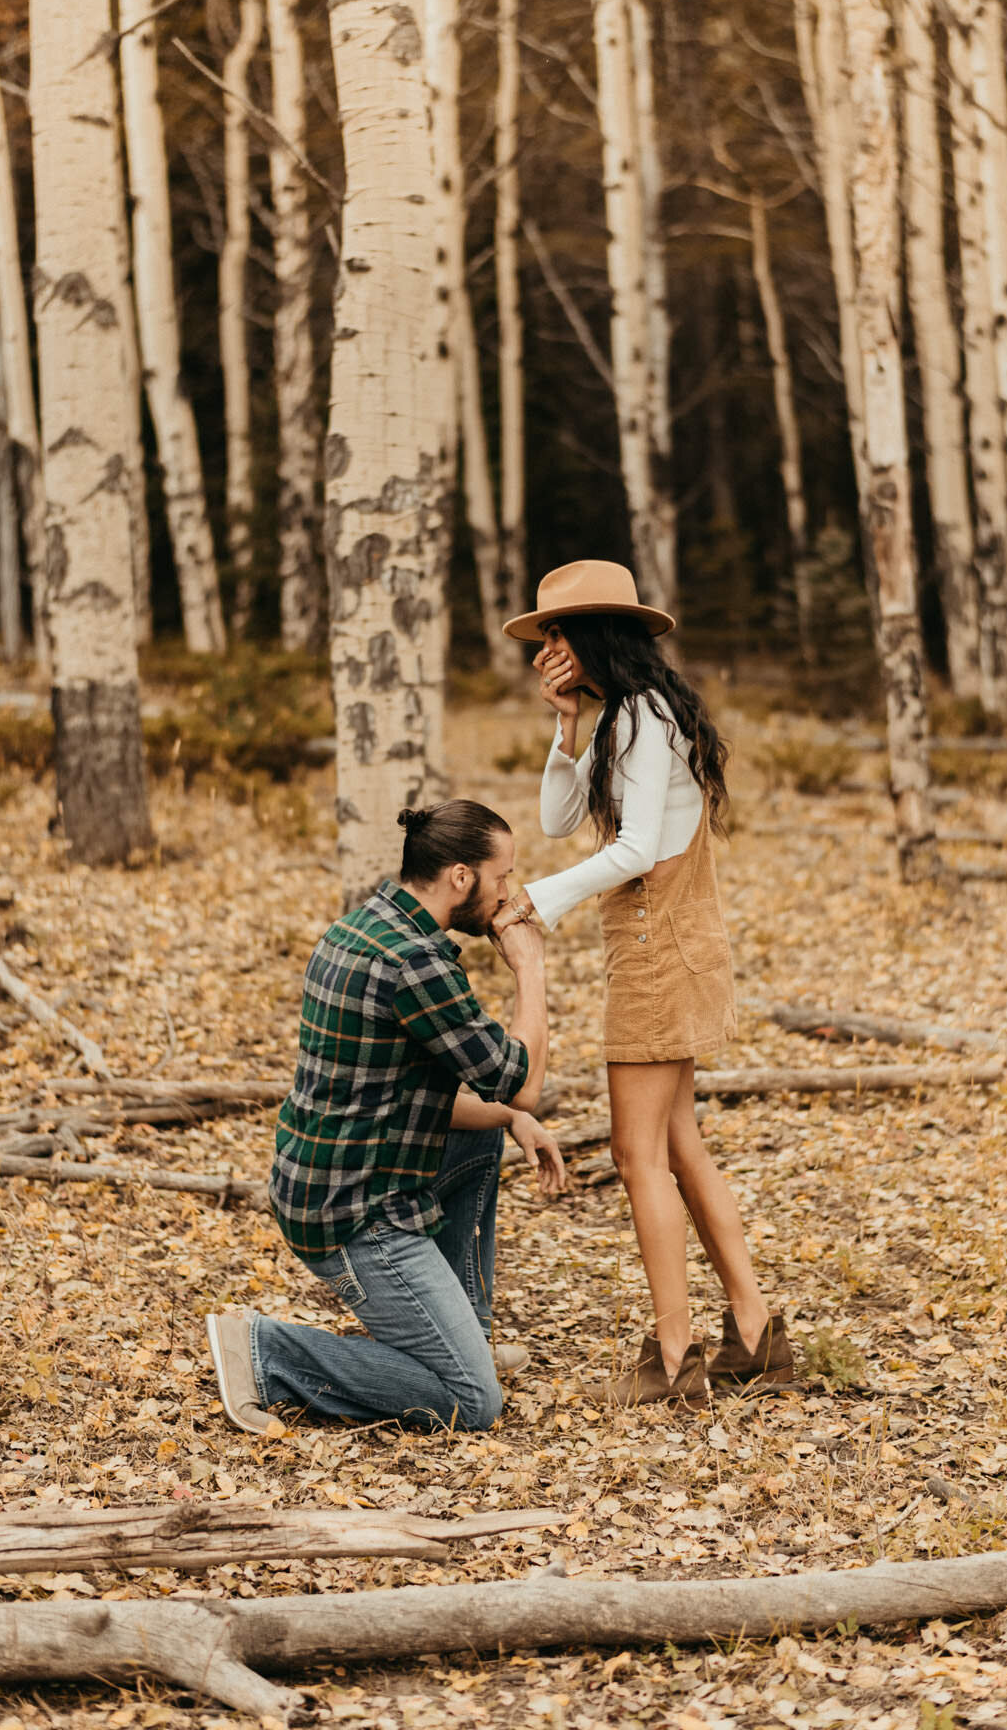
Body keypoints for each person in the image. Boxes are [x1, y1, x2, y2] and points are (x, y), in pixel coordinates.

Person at [495, 559, 794, 1407]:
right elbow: (559, 820)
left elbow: (632, 853)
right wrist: (564, 725)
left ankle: (673, 1356)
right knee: (680, 1145)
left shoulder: (641, 720)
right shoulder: (629, 715)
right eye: (544, 636)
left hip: (658, 949)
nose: (547, 650)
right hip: (669, 943)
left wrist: (536, 903)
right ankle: (753, 1333)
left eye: (556, 634)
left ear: (595, 634)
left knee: (637, 1156)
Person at [205, 799, 563, 1434]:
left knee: (487, 1130)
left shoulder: (365, 926)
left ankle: (464, 1337)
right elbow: (524, 1081)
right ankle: (266, 1353)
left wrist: (510, 1119)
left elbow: (405, 1092)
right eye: (501, 877)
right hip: (355, 1214)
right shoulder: (416, 964)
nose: (509, 894)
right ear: (461, 877)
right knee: (473, 1403)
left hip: (323, 1180)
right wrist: (530, 966)